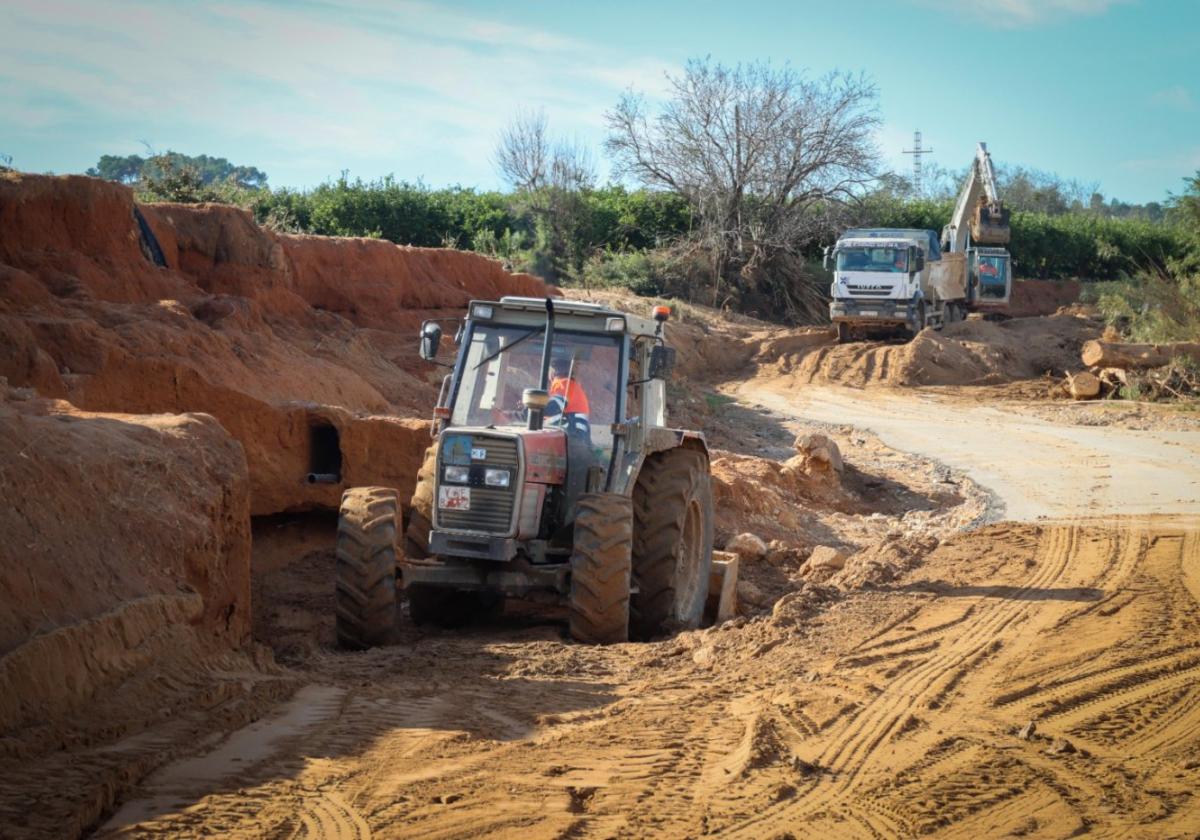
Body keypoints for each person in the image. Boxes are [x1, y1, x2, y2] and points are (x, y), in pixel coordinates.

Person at [548, 352, 590, 418]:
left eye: (549, 370)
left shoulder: (563, 384)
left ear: (553, 372)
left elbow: (553, 409)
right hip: (572, 424)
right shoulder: (572, 385)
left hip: (570, 425)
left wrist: (536, 409)